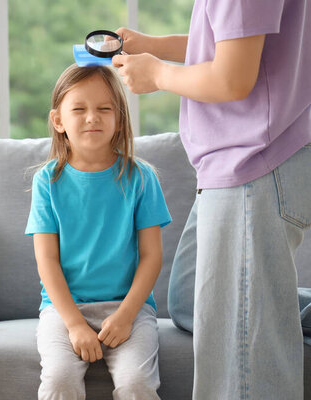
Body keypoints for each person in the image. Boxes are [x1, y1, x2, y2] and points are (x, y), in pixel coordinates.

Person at [111, 1, 311, 399]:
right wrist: (156, 47)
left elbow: (232, 78)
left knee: (242, 365)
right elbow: (236, 45)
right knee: (189, 299)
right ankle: (270, 305)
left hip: (251, 161)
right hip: (241, 161)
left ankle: (266, 306)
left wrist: (158, 74)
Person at [25, 64, 172, 400]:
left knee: (137, 384)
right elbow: (46, 260)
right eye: (79, 109)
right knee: (59, 381)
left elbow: (152, 257)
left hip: (129, 308)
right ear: (58, 120)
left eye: (104, 109)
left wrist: (125, 316)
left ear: (119, 119)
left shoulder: (142, 177)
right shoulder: (46, 182)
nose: (92, 117)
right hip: (63, 311)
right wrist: (75, 325)